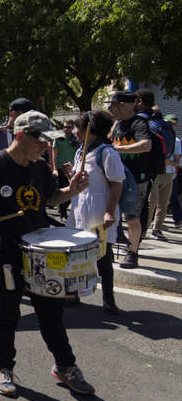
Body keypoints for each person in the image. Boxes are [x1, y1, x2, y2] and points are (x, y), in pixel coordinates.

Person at [0, 110, 94, 397]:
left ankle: (65, 366)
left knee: (51, 313)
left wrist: (72, 190)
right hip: (3, 251)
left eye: (48, 142)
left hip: (39, 253)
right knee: (6, 314)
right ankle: (4, 368)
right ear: (21, 136)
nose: (46, 147)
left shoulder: (39, 167)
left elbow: (51, 199)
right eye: (41, 141)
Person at [66, 110, 124, 315]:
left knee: (103, 257)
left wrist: (109, 212)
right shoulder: (81, 151)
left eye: (78, 127)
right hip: (79, 209)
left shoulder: (107, 153)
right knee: (75, 254)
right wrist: (70, 175)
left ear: (90, 129)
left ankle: (109, 300)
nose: (75, 131)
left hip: (98, 212)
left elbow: (117, 185)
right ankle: (73, 295)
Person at [109, 91, 150, 269]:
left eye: (112, 105)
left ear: (122, 105)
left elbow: (146, 145)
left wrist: (118, 150)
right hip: (116, 178)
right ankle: (108, 248)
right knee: (112, 215)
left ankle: (132, 253)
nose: (111, 109)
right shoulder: (117, 123)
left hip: (135, 180)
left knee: (132, 218)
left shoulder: (139, 123)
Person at [147, 112, 178, 239]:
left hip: (159, 172)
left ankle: (150, 230)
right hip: (164, 173)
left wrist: (163, 161)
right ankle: (151, 229)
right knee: (157, 204)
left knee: (156, 204)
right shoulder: (173, 137)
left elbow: (176, 161)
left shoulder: (153, 130)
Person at [52, 119, 79, 220]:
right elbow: (54, 155)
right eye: (64, 127)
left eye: (68, 127)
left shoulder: (76, 139)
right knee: (63, 191)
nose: (66, 129)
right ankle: (62, 213)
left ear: (73, 128)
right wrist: (54, 168)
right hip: (61, 168)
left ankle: (69, 213)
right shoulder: (58, 138)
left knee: (73, 191)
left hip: (73, 169)